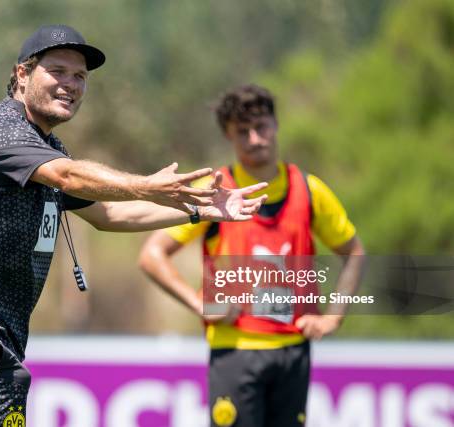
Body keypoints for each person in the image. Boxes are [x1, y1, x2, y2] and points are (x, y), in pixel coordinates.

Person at [0, 25, 267, 426]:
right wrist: (145, 184)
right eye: (58, 71)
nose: (71, 85)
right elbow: (68, 178)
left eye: (79, 77)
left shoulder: (45, 147)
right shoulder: (3, 128)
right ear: (22, 74)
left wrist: (199, 210)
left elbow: (109, 215)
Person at [139, 84, 365, 427]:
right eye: (243, 132)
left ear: (276, 125)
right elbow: (153, 255)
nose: (255, 138)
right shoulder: (214, 192)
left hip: (294, 350)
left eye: (262, 127)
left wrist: (333, 317)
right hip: (235, 351)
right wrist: (199, 303)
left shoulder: (309, 189)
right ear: (229, 137)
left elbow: (354, 253)